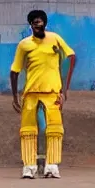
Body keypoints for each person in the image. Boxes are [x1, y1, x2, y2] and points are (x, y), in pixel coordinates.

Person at [10, 10, 76, 179]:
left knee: (54, 129)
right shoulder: (24, 44)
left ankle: (52, 166)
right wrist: (15, 97)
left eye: (39, 22)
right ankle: (29, 166)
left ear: (45, 24)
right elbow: (15, 71)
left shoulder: (55, 39)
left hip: (52, 92)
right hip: (31, 92)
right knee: (28, 130)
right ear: (30, 25)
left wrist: (64, 90)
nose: (37, 25)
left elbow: (70, 57)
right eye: (34, 23)